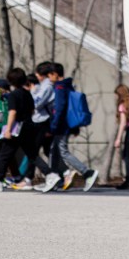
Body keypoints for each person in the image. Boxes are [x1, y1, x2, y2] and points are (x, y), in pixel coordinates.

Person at [46, 61, 98, 191]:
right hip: (66, 125)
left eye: (49, 75)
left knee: (62, 151)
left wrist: (53, 126)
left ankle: (87, 172)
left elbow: (60, 109)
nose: (49, 78)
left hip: (61, 125)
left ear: (55, 74)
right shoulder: (68, 85)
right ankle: (56, 178)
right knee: (54, 150)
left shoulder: (60, 87)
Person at [0, 67, 36, 192]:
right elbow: (32, 111)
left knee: (4, 155)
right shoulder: (28, 94)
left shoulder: (13, 95)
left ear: (11, 81)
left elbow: (12, 112)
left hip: (16, 128)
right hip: (28, 126)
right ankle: (31, 178)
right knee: (31, 155)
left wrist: (8, 129)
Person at [23, 71, 61, 192]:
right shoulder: (43, 88)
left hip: (42, 123)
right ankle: (56, 176)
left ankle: (55, 174)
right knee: (42, 151)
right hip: (39, 123)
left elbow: (36, 105)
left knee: (33, 152)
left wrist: (32, 93)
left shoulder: (45, 88)